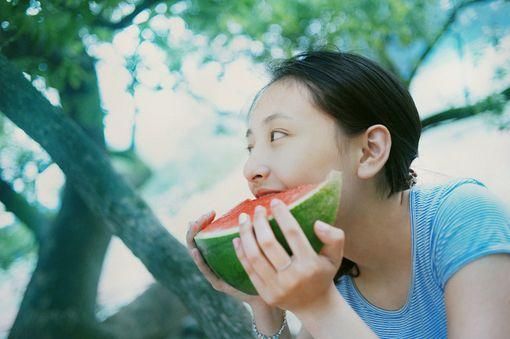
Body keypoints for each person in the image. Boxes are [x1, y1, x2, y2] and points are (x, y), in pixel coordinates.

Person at [186, 50, 510, 338]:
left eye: (278, 135)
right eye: (250, 146)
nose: (250, 167)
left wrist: (320, 308)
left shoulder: (464, 217)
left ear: (369, 151)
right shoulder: (333, 277)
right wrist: (265, 305)